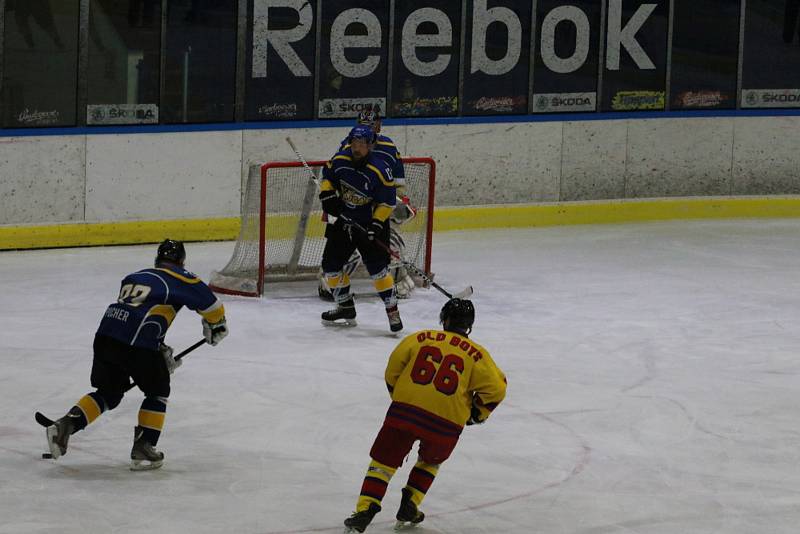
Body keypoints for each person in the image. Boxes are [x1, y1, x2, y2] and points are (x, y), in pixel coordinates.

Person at [41, 239, 229, 470]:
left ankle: (65, 426)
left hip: (105, 335)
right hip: (135, 342)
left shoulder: (137, 275)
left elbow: (139, 313)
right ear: (181, 262)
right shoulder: (180, 276)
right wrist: (216, 325)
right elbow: (212, 305)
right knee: (158, 390)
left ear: (157, 260)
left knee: (110, 393)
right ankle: (144, 448)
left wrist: (157, 350)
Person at [343, 299, 507, 533]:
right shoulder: (478, 355)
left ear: (445, 319)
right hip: (446, 421)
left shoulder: (420, 337)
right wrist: (476, 414)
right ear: (469, 325)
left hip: (405, 411)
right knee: (431, 460)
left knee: (383, 463)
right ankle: (410, 504)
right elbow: (497, 388)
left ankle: (365, 509)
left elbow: (393, 368)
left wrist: (400, 397)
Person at [318, 110, 417, 302]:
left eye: (371, 125)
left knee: (389, 245)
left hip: (378, 208)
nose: (367, 129)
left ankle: (397, 281)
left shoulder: (388, 146)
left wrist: (392, 203)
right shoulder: (348, 144)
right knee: (341, 249)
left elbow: (397, 184)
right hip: (350, 208)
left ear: (378, 126)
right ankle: (331, 285)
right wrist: (331, 196)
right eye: (363, 124)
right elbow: (336, 173)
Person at [319, 124, 402, 332]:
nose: (357, 148)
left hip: (371, 224)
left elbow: (388, 203)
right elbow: (327, 176)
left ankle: (393, 312)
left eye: (362, 144)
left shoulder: (380, 170)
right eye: (354, 143)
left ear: (370, 145)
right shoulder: (340, 160)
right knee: (330, 266)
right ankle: (345, 306)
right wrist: (327, 194)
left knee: (378, 271)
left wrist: (376, 223)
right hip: (345, 223)